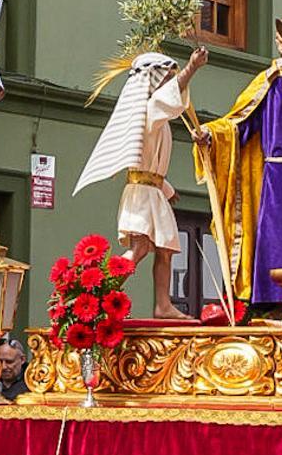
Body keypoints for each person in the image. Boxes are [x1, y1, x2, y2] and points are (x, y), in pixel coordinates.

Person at [73, 45, 208, 319]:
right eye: (167, 78)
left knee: (165, 249)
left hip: (151, 189)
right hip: (143, 192)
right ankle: (99, 294)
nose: (172, 83)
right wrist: (191, 68)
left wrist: (167, 189)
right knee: (141, 248)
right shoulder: (149, 109)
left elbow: (150, 163)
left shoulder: (156, 117)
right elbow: (170, 99)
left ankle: (162, 305)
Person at [196, 16, 282, 305]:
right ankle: (270, 303)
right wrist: (211, 136)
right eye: (281, 36)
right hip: (274, 177)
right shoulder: (267, 82)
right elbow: (240, 124)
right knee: (271, 240)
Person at [0, 335, 28, 400]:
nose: (3, 367)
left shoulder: (32, 382)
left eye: (9, 362)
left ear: (22, 360)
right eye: (0, 362)